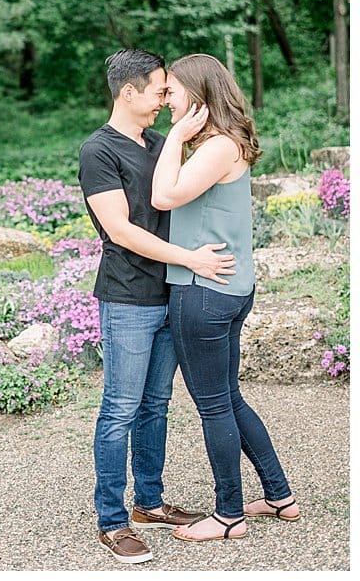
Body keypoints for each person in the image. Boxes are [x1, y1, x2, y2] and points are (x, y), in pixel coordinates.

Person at [78, 49, 237, 565]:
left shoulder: (161, 143)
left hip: (173, 295)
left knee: (155, 406)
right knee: (120, 408)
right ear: (129, 92)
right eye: (159, 91)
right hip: (127, 298)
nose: (165, 100)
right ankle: (112, 520)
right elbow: (120, 231)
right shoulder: (97, 152)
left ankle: (148, 503)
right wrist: (189, 257)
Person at [150, 53, 299, 542]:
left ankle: (227, 513)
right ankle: (278, 495)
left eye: (172, 91)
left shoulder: (215, 148)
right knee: (228, 399)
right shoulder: (224, 144)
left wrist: (173, 137)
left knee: (213, 405)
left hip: (203, 293)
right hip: (227, 290)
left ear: (198, 95)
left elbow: (163, 197)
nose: (167, 99)